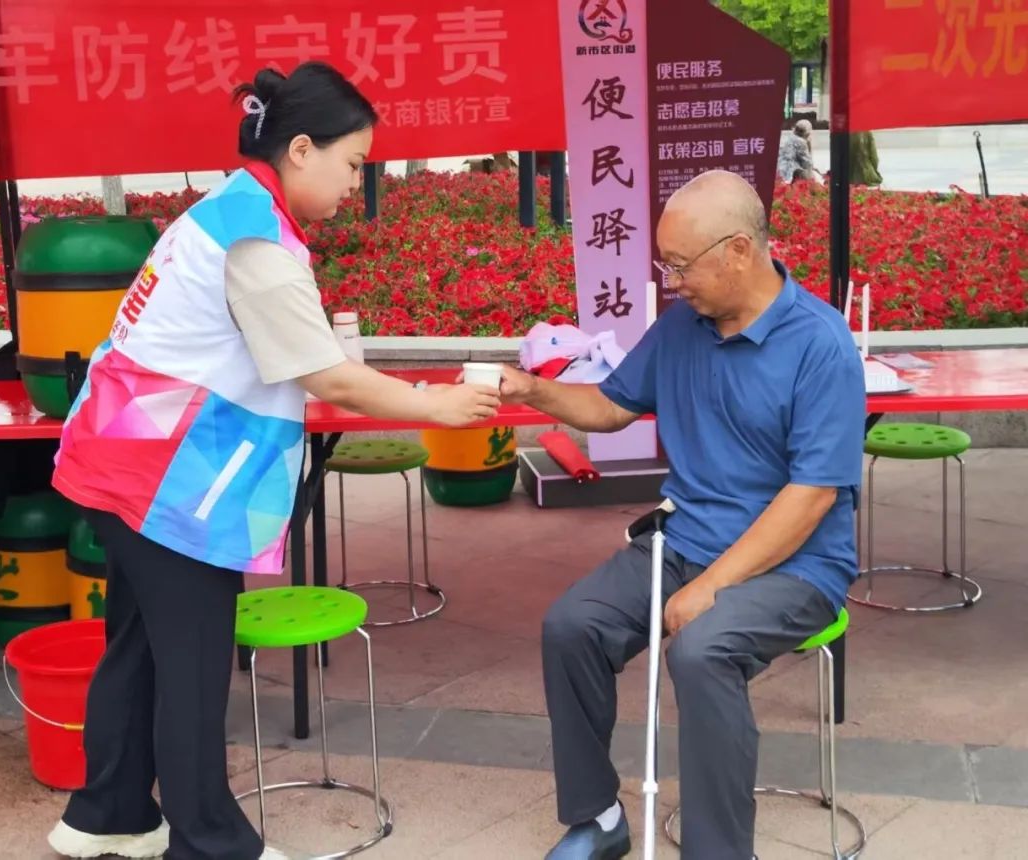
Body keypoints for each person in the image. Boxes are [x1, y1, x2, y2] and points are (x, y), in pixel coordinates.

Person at [46, 62, 501, 860]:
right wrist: (435, 404)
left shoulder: (228, 210)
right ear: (299, 149)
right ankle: (210, 843)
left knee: (140, 648)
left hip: (122, 457)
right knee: (192, 668)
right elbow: (327, 375)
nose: (355, 183)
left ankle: (106, 813)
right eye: (352, 163)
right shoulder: (255, 240)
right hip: (168, 482)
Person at [500, 170, 865, 860]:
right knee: (571, 626)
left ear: (738, 251)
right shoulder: (681, 327)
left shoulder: (820, 344)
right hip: (684, 540)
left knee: (702, 651)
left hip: (798, 565)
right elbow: (610, 406)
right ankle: (597, 818)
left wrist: (713, 586)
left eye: (680, 265)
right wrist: (530, 391)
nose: (672, 282)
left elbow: (812, 495)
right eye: (665, 266)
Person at [776, 119, 821, 184]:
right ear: (808, 132)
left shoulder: (791, 138)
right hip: (791, 172)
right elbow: (807, 164)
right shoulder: (800, 142)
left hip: (781, 170)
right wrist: (809, 145)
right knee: (816, 177)